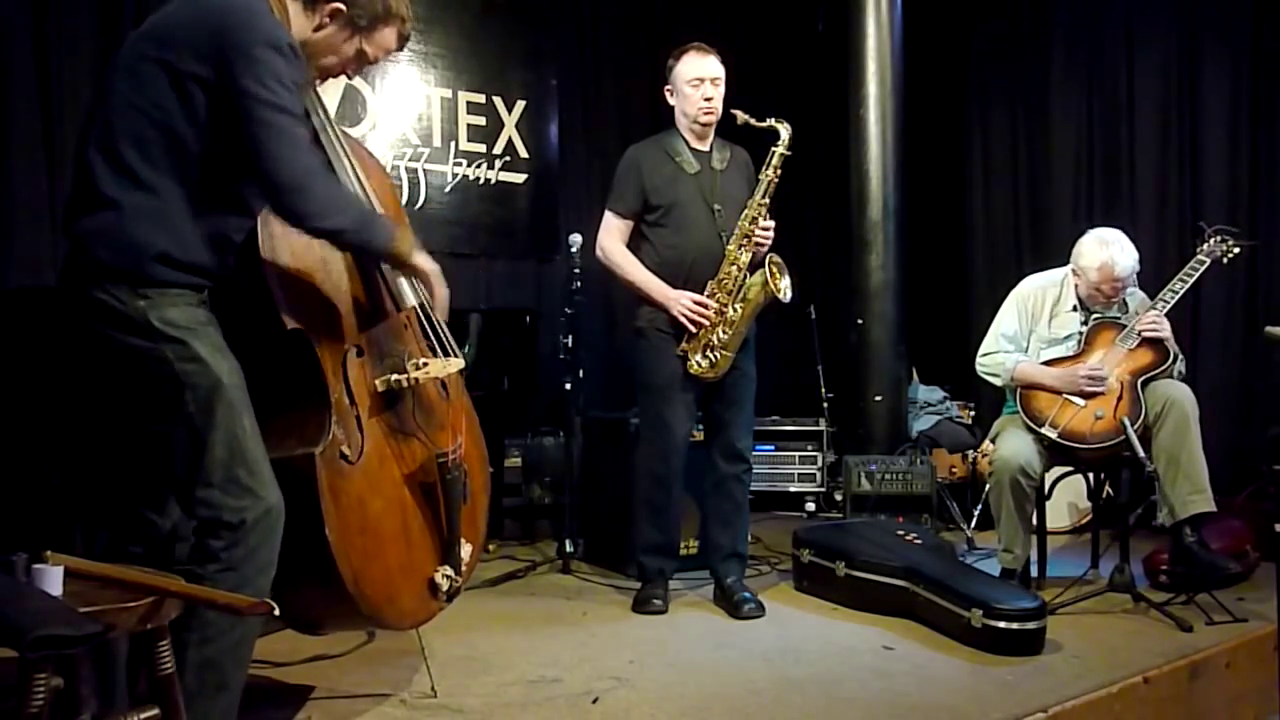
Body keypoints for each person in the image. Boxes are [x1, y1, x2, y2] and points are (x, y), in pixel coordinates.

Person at [57, 1, 445, 717]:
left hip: (111, 288)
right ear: (334, 15)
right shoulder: (250, 30)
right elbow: (296, 187)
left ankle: (123, 699)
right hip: (147, 296)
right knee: (248, 513)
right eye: (358, 59)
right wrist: (405, 249)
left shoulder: (215, 22)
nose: (348, 76)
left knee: (149, 524)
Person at [595, 42, 776, 620]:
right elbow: (607, 246)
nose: (709, 95)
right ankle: (655, 574)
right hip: (664, 328)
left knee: (734, 455)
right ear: (671, 94)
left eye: (716, 83)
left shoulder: (741, 161)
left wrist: (760, 247)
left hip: (730, 327)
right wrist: (669, 297)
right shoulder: (642, 159)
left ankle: (730, 575)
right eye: (696, 84)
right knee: (663, 455)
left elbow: (742, 249)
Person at [974, 226, 1243, 588]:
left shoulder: (1133, 298)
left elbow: (1165, 370)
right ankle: (1013, 566)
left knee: (1175, 395)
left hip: (1116, 417)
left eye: (1123, 286)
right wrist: (1057, 379)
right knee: (1010, 459)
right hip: (1036, 418)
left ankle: (1187, 538)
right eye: (1104, 290)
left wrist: (1169, 343)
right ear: (1076, 275)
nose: (1115, 296)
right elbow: (989, 359)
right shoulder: (1033, 292)